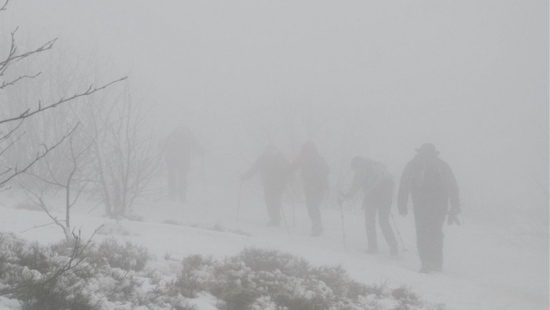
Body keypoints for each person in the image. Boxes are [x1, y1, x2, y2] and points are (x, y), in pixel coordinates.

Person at [397, 143, 460, 273]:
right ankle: (437, 263)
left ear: (420, 152)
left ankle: (426, 263)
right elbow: (452, 185)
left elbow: (404, 184)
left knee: (422, 232)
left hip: (421, 203)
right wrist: (455, 205)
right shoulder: (442, 165)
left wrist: (401, 203)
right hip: (440, 203)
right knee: (435, 231)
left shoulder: (414, 164)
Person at [340, 156, 398, 256]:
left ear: (355, 164)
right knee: (384, 221)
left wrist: (347, 196)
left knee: (370, 221)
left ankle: (373, 247)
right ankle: (394, 246)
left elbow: (356, 185)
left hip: (372, 196)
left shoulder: (361, 168)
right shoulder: (376, 164)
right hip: (386, 194)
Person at [241, 145, 291, 226]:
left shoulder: (279, 159)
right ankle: (275, 218)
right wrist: (246, 176)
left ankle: (275, 219)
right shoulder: (264, 158)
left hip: (278, 184)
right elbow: (254, 168)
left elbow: (288, 170)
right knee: (270, 201)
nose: (271, 152)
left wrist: (287, 180)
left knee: (273, 201)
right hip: (270, 184)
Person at [291, 142, 329, 236]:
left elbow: (326, 170)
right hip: (310, 186)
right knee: (311, 206)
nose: (308, 152)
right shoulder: (303, 158)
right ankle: (317, 226)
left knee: (313, 206)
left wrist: (316, 177)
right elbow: (292, 166)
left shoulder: (318, 159)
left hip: (319, 186)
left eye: (309, 150)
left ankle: (317, 226)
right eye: (306, 150)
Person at [163, 126, 202, 202]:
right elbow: (195, 146)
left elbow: (164, 143)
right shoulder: (189, 134)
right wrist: (201, 151)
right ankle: (182, 196)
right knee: (182, 178)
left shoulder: (173, 133)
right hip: (184, 160)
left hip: (171, 159)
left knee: (172, 177)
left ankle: (172, 195)